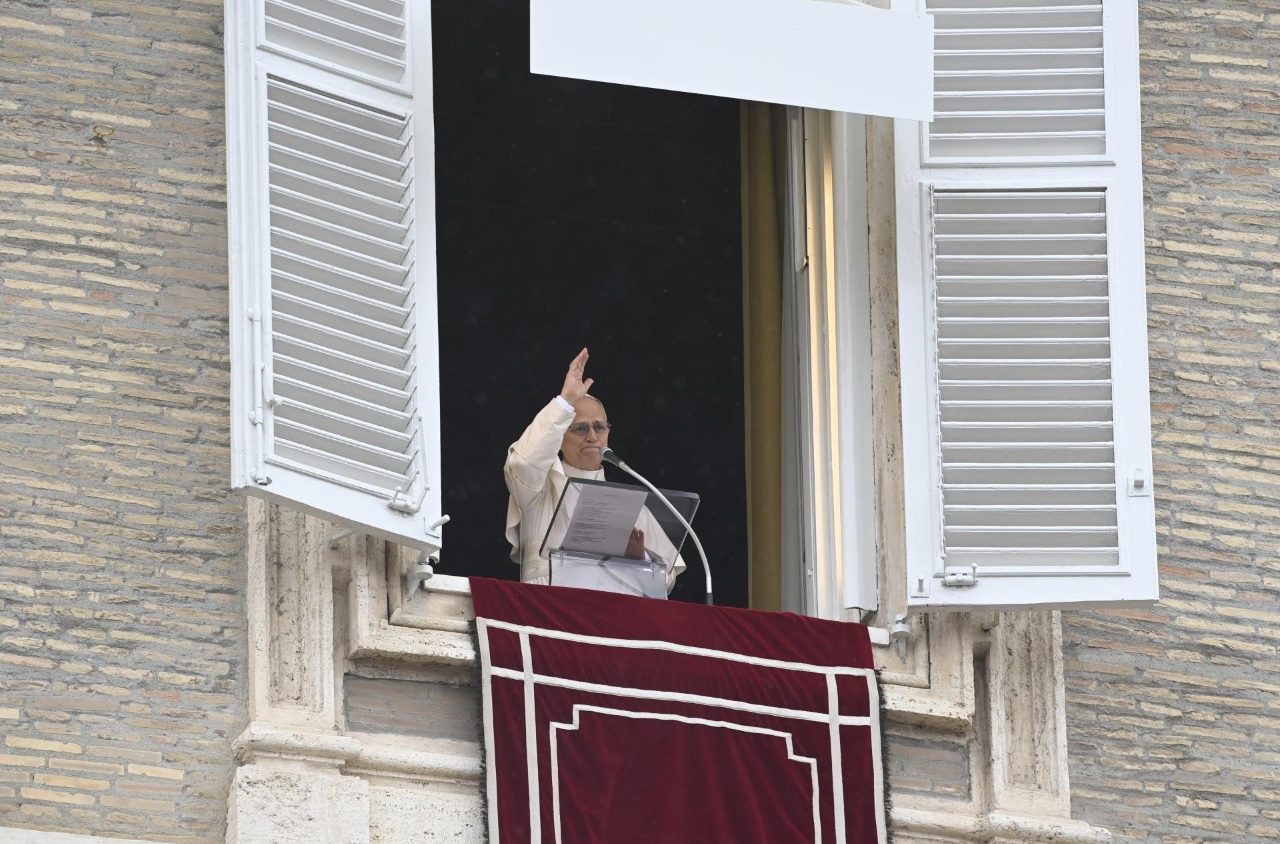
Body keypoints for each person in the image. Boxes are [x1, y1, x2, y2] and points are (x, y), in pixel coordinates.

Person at [504, 348, 685, 589]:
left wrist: (640, 558)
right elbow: (521, 463)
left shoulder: (633, 507)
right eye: (580, 428)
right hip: (550, 612)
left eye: (599, 427)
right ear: (560, 436)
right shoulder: (539, 492)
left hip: (613, 618)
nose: (592, 436)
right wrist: (565, 402)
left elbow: (666, 581)